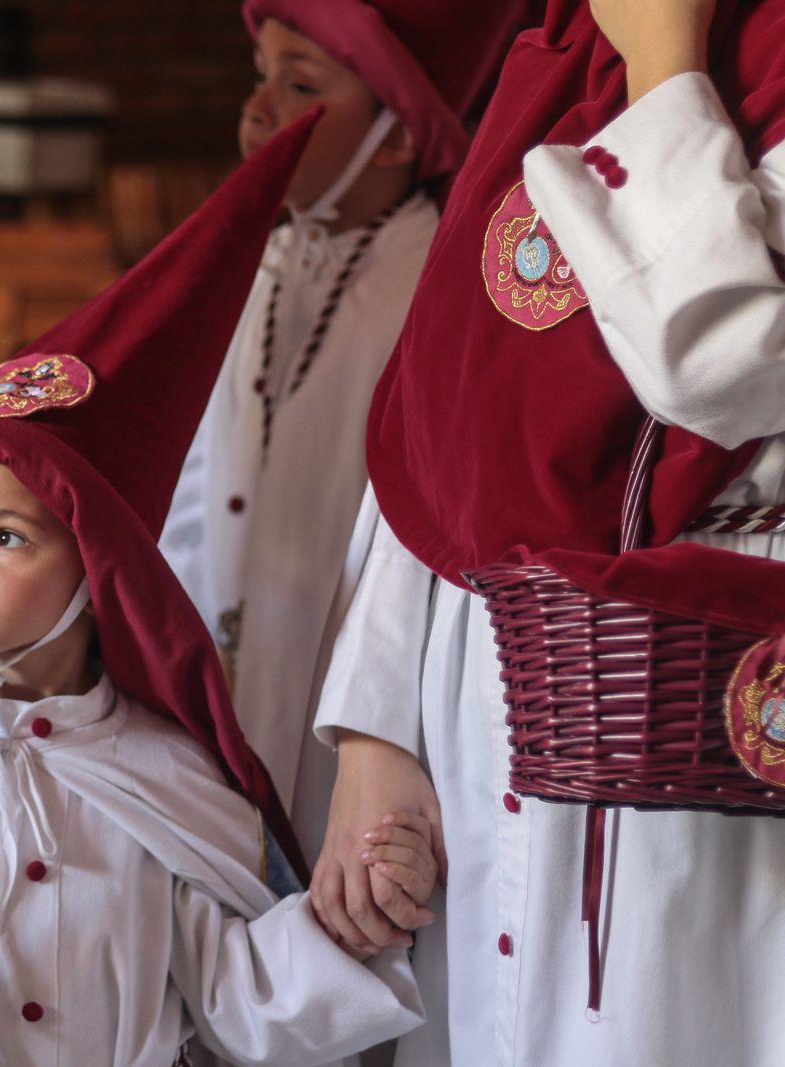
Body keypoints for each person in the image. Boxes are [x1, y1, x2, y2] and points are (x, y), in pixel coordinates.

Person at [0, 115, 432, 1067]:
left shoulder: (171, 780)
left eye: (3, 536)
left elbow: (239, 997)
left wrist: (352, 924)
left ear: (96, 568)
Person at [309, 0, 785, 1063]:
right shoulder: (562, 47)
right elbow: (439, 406)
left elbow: (728, 360)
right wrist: (376, 731)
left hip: (702, 661)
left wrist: (666, 63)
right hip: (478, 676)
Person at [159, 0, 529, 867]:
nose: (257, 111)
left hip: (352, 720)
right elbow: (194, 490)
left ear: (397, 135)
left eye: (300, 86)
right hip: (224, 697)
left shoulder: (439, 290)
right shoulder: (254, 264)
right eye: (262, 78)